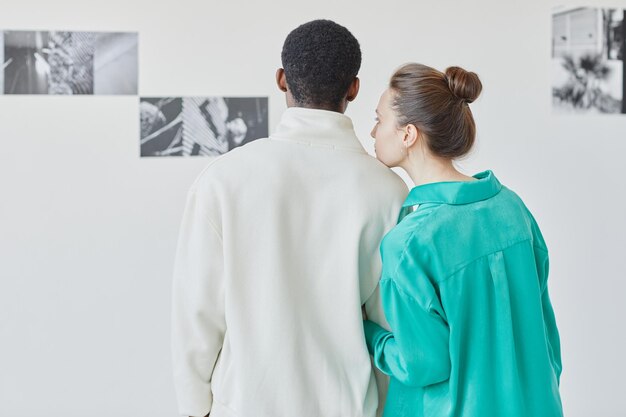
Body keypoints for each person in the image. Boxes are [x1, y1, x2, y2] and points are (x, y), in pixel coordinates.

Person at [171, 20, 407, 417]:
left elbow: (196, 318)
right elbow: (391, 329)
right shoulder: (388, 191)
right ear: (354, 88)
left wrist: (195, 410)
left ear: (282, 80)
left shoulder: (223, 180)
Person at [364, 63, 563, 417]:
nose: (372, 131)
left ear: (408, 134)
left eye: (379, 120)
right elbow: (544, 328)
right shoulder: (513, 208)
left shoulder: (409, 243)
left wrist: (369, 334)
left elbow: (422, 364)